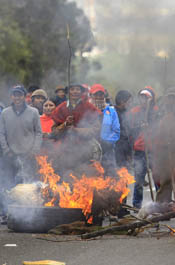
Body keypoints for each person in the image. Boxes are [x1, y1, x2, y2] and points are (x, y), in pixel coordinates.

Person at [0, 85, 42, 223]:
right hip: (9, 156)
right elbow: (1, 133)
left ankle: (28, 216)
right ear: (11, 97)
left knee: (28, 186)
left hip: (28, 155)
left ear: (25, 97)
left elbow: (38, 133)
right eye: (14, 95)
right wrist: (7, 150)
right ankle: (8, 214)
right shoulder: (5, 113)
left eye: (19, 95)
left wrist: (34, 151)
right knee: (8, 186)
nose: (17, 98)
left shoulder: (34, 112)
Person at [50, 84, 101, 176]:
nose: (75, 91)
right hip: (64, 150)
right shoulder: (61, 108)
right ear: (68, 92)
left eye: (78, 89)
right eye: (72, 89)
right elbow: (54, 132)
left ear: (81, 92)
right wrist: (65, 124)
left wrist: (76, 130)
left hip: (85, 150)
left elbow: (96, 129)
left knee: (83, 178)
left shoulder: (89, 107)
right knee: (65, 177)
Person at [128, 86, 158, 208]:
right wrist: (139, 128)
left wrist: (150, 126)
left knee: (158, 177)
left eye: (146, 97)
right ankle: (137, 204)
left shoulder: (157, 111)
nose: (144, 100)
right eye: (142, 97)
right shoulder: (134, 111)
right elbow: (129, 128)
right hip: (140, 149)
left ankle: (161, 203)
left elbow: (160, 127)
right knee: (139, 178)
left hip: (154, 149)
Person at [90, 84, 120, 177]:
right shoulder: (87, 109)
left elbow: (116, 130)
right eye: (96, 94)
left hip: (108, 150)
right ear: (91, 95)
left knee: (110, 177)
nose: (99, 97)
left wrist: (107, 142)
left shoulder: (111, 110)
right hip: (90, 150)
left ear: (104, 95)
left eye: (101, 94)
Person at [114, 90, 133, 169]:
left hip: (125, 151)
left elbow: (127, 134)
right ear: (122, 101)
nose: (130, 104)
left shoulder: (125, 112)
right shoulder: (113, 112)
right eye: (129, 101)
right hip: (116, 152)